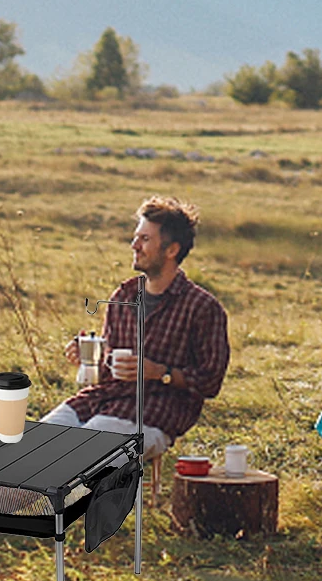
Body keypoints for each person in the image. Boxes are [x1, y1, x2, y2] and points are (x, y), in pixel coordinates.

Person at [41, 196, 230, 458]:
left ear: (171, 250)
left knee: (78, 456)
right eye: (136, 237)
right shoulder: (124, 296)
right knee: (31, 451)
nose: (134, 245)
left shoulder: (202, 308)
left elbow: (210, 381)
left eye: (145, 239)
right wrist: (88, 355)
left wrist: (160, 372)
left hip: (152, 413)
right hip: (99, 401)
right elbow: (109, 363)